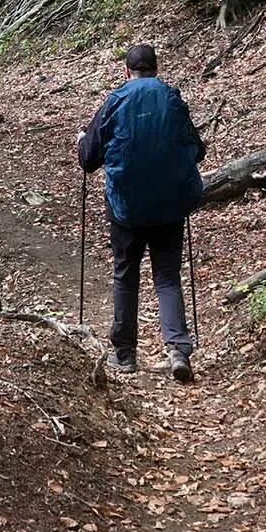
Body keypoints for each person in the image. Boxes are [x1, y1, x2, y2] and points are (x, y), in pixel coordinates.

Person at [75, 43, 207, 381]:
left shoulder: (116, 101)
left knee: (125, 275)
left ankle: (125, 353)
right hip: (170, 205)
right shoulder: (171, 98)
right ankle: (178, 350)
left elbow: (88, 159)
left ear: (127, 71)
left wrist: (82, 140)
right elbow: (197, 150)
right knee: (167, 277)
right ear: (156, 69)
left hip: (126, 208)